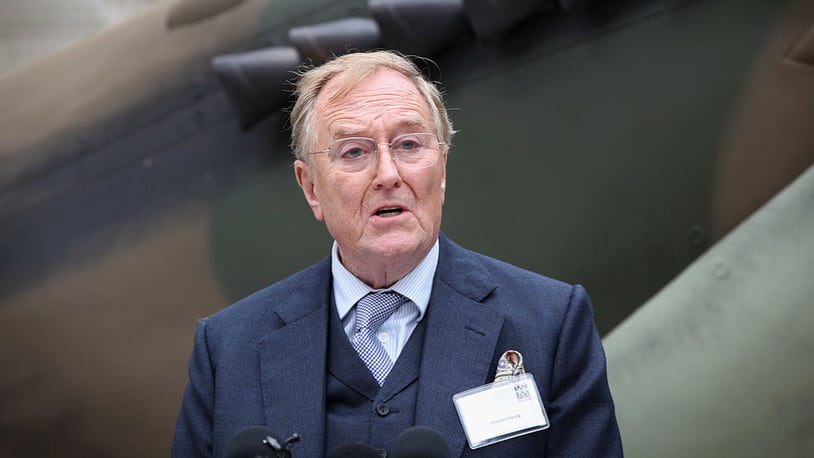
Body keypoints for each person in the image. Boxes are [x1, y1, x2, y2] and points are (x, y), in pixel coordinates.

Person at [171, 50, 622, 457]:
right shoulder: (229, 350)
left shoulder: (549, 324)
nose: (388, 174)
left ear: (442, 169)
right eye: (353, 152)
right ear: (310, 187)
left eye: (409, 144)